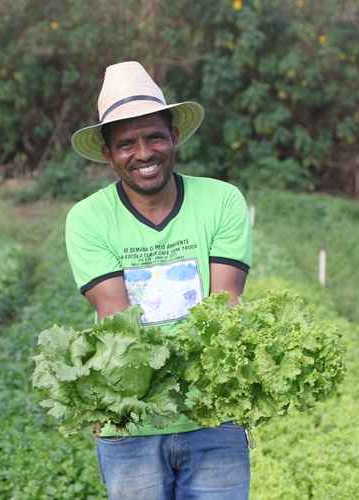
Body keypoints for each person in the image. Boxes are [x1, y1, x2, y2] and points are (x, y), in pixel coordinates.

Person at [65, 61, 253, 500]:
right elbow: (115, 316)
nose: (143, 153)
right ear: (110, 155)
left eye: (154, 137)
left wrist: (208, 382)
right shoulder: (88, 218)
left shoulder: (221, 201)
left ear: (174, 138)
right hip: (131, 419)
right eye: (126, 144)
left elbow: (224, 302)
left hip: (213, 416)